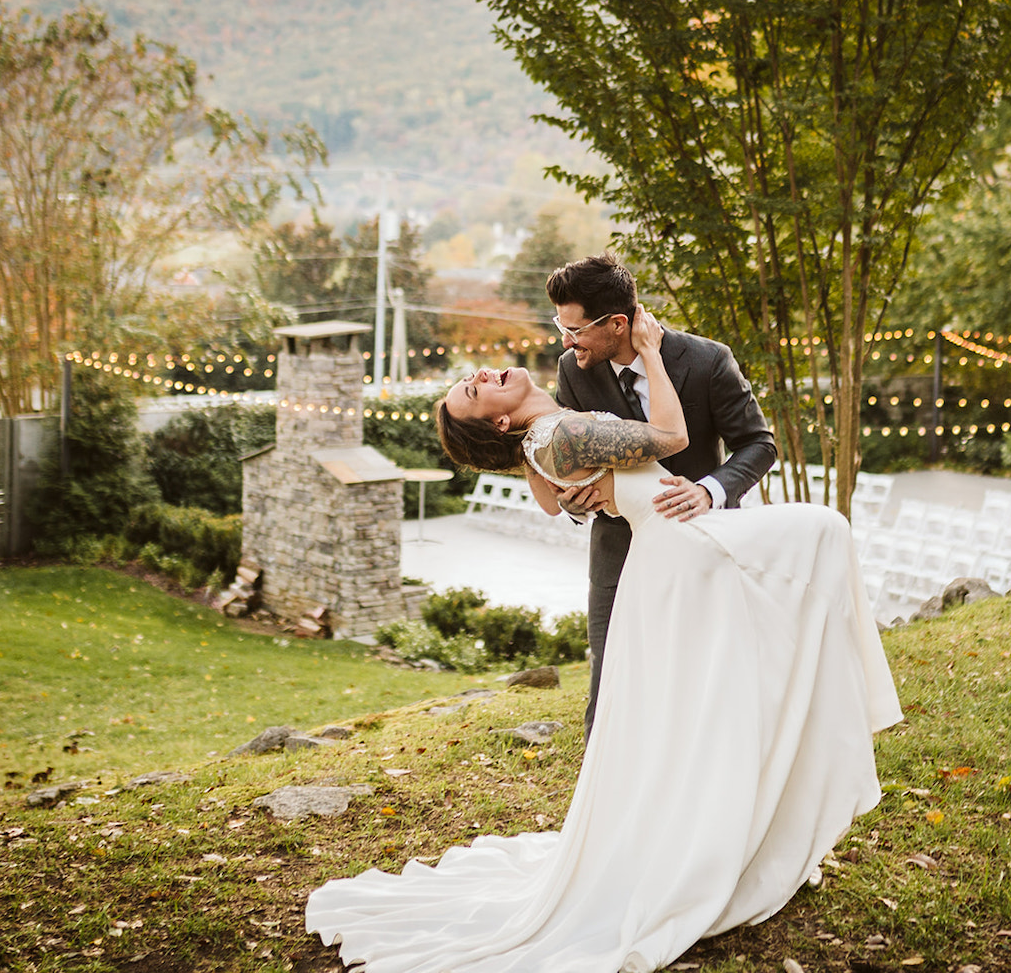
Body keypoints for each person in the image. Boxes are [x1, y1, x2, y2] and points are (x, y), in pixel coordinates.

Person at [304, 305, 902, 973]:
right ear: (499, 421)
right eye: (474, 392)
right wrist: (648, 348)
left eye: (470, 380)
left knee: (741, 660)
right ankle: (811, 753)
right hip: (684, 545)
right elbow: (670, 436)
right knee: (824, 530)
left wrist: (585, 479)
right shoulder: (561, 432)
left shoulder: (546, 433)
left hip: (667, 550)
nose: (477, 373)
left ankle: (756, 799)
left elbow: (551, 502)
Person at [544, 253, 777, 740]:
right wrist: (570, 501)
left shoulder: (708, 359)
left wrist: (710, 491)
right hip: (616, 549)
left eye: (575, 329)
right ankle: (603, 798)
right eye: (559, 326)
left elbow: (759, 444)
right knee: (608, 679)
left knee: (701, 672)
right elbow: (570, 458)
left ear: (618, 324)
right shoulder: (574, 368)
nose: (565, 341)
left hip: (698, 542)